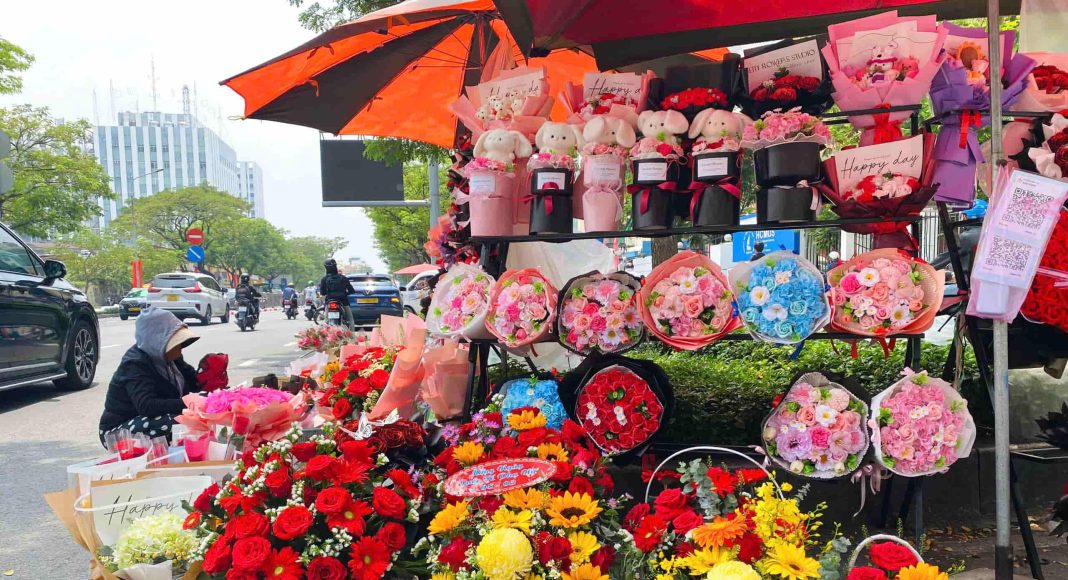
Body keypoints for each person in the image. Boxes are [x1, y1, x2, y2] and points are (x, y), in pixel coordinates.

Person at [99, 308, 200, 446]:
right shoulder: (135, 364)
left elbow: (194, 383)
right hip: (118, 430)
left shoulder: (172, 358)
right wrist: (188, 403)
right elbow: (147, 405)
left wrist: (208, 377)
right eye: (176, 343)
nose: (180, 347)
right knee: (177, 421)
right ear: (158, 341)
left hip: (148, 419)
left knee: (196, 416)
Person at [319, 259, 356, 328]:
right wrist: (346, 293)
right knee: (350, 319)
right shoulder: (343, 278)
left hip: (329, 301)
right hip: (343, 301)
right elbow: (351, 290)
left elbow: (322, 292)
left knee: (326, 321)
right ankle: (352, 333)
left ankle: (325, 332)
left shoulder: (324, 279)